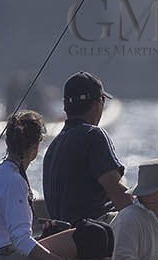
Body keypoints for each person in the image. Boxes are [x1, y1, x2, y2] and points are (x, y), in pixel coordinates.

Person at [0, 111, 106, 260]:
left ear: (8, 143)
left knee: (94, 232)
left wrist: (45, 237)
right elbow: (21, 240)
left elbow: (14, 235)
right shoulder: (13, 180)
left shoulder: (4, 173)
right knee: (92, 237)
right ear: (35, 146)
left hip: (0, 257)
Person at [42, 71, 131, 226]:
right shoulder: (94, 135)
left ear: (65, 106)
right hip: (93, 233)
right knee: (142, 214)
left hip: (63, 235)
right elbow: (119, 196)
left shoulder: (53, 146)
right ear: (98, 104)